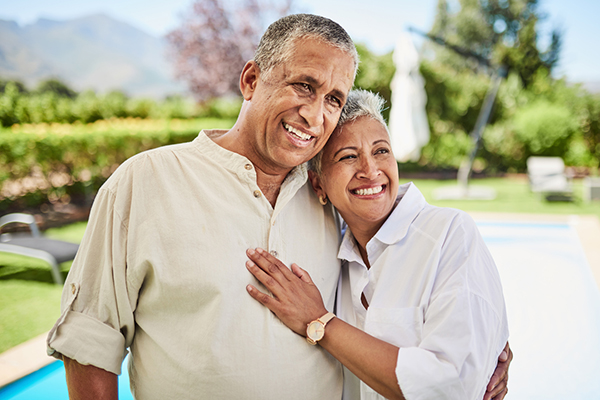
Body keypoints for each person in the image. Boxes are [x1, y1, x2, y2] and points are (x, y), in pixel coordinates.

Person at [46, 13, 510, 399]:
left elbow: (404, 283)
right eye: (304, 85)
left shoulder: (330, 199)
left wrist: (486, 349)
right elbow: (90, 342)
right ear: (251, 79)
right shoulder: (144, 183)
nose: (315, 115)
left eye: (334, 98)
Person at [245, 89, 511, 400]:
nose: (371, 171)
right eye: (348, 156)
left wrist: (319, 322)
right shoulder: (333, 254)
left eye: (381, 151)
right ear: (319, 184)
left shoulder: (449, 233)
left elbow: (451, 386)